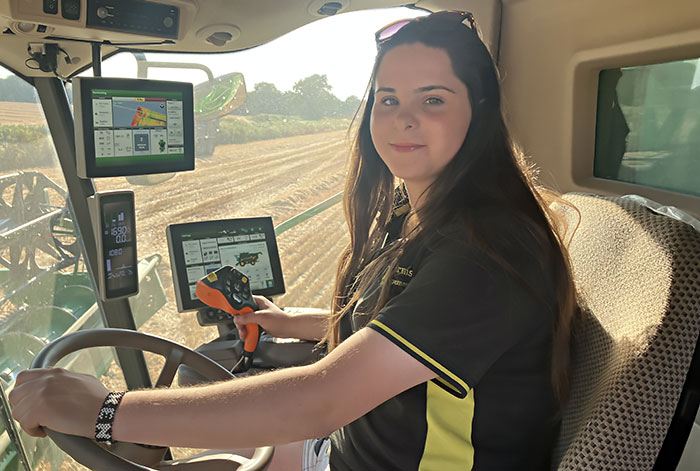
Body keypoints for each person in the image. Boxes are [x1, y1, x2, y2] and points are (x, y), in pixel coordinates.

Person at [9, 11, 580, 471]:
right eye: (388, 98)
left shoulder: (487, 253)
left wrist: (105, 411)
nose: (403, 118)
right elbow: (396, 325)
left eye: (432, 99)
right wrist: (291, 321)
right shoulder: (430, 216)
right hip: (349, 448)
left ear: (477, 112)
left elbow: (319, 400)